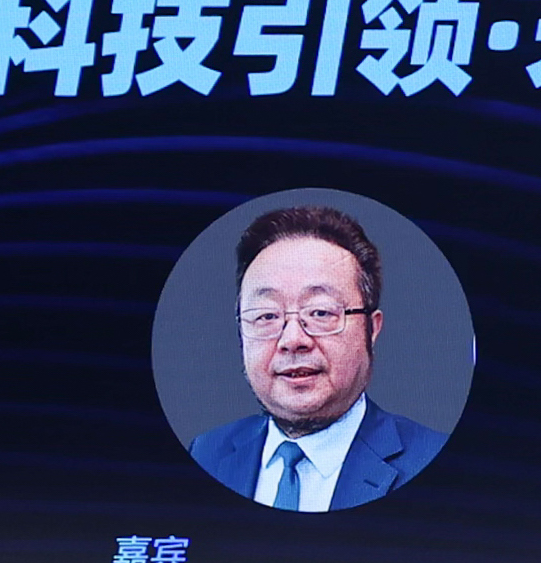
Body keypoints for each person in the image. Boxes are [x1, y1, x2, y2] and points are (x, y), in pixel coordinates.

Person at [188, 204, 448, 511]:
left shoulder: (432, 460)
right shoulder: (207, 453)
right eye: (267, 315)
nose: (292, 340)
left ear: (372, 328)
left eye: (321, 312)